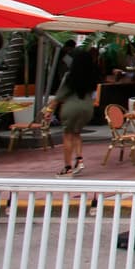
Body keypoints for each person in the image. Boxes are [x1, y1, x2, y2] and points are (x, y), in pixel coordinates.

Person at [42, 48, 99, 177]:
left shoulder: (70, 76)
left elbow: (60, 95)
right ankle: (79, 160)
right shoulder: (92, 75)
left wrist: (49, 110)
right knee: (77, 133)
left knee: (67, 135)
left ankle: (67, 167)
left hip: (71, 107)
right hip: (87, 107)